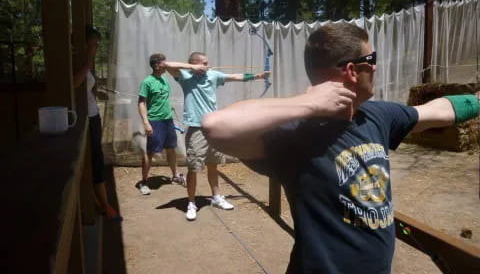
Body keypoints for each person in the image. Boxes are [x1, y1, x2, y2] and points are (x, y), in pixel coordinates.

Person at [201, 22, 480, 273]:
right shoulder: (294, 136)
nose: (376, 66)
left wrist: (477, 100)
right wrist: (309, 103)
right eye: (371, 59)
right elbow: (216, 126)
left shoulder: (378, 115)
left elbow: (438, 110)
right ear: (351, 70)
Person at [167, 52, 270, 221]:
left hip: (213, 127)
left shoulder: (213, 75)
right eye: (204, 63)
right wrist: (192, 68)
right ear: (194, 64)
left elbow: (235, 76)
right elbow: (166, 64)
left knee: (213, 164)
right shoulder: (185, 76)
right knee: (193, 167)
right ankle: (191, 203)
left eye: (207, 63)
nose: (208, 65)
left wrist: (258, 76)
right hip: (196, 128)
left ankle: (216, 197)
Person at [138, 53, 207, 195]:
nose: (166, 65)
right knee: (150, 152)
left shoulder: (164, 80)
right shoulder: (147, 82)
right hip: (154, 121)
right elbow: (141, 103)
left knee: (171, 149)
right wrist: (146, 122)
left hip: (167, 120)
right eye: (164, 62)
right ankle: (144, 182)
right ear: (157, 65)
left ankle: (175, 175)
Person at [74, 25, 121, 221]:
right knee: (93, 161)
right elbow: (73, 83)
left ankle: (100, 202)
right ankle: (105, 205)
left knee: (95, 159)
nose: (97, 45)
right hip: (84, 119)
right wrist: (89, 60)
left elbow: (85, 87)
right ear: (85, 44)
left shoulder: (84, 62)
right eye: (94, 42)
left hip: (93, 116)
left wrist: (96, 93)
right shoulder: (78, 62)